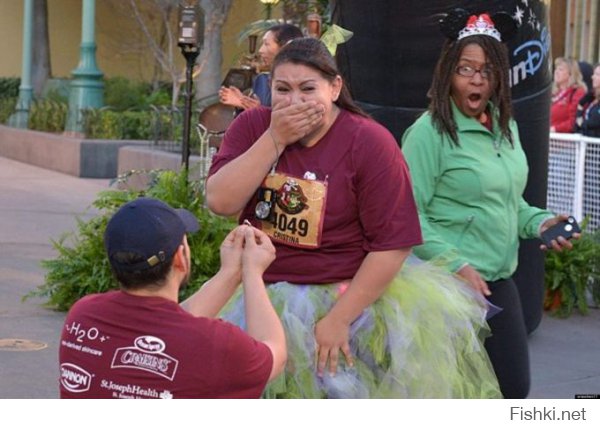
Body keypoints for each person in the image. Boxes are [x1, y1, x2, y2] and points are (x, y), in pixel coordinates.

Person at [206, 37, 501, 398]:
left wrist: (339, 319)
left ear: (334, 88)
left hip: (346, 297)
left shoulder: (369, 141)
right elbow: (220, 201)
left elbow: (393, 244)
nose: (294, 100)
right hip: (260, 296)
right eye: (282, 89)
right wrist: (275, 139)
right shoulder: (254, 126)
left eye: (308, 88)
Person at [402, 11, 580, 399]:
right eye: (465, 68)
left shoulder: (506, 126)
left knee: (512, 389)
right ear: (448, 73)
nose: (477, 78)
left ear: (500, 75)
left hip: (498, 281)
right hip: (444, 286)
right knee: (450, 394)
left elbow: (509, 203)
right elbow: (407, 217)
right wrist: (457, 266)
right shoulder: (428, 134)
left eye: (487, 70)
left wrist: (541, 223)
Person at [59, 197, 286, 399]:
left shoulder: (83, 316)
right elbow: (274, 352)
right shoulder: (216, 342)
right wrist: (253, 274)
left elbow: (172, 327)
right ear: (180, 257)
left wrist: (231, 273)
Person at [219, 24, 303, 111]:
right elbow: (252, 121)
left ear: (285, 48)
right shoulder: (262, 80)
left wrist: (257, 111)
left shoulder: (301, 82)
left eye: (266, 44)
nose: (260, 50)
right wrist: (242, 103)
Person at [550, 57, 587, 133]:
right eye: (556, 69)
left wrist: (554, 129)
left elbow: (573, 122)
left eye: (560, 69)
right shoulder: (553, 93)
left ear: (570, 74)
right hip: (550, 139)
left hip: (566, 141)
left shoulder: (577, 92)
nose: (556, 72)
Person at [575, 63, 600, 137]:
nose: (592, 77)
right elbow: (576, 125)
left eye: (597, 74)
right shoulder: (590, 97)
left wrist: (582, 124)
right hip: (585, 144)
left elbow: (596, 123)